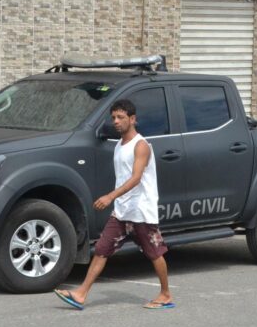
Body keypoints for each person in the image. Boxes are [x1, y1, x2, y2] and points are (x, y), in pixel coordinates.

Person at [54, 99, 173, 310]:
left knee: (154, 252)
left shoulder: (141, 145)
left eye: (121, 118)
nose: (116, 122)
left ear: (133, 119)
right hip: (122, 211)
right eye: (113, 118)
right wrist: (116, 200)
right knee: (101, 249)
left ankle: (165, 294)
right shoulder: (119, 145)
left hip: (140, 210)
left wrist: (110, 196)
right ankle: (81, 294)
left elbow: (136, 178)